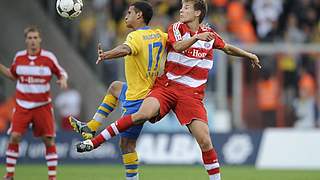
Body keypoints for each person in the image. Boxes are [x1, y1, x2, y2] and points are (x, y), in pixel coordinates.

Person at [77, 0, 261, 179]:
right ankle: (94, 142)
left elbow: (227, 48)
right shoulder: (175, 28)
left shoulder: (209, 34)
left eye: (186, 7)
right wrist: (196, 37)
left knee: (205, 141)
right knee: (141, 114)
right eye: (181, 6)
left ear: (197, 13)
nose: (181, 10)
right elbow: (179, 46)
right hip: (167, 87)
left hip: (191, 96)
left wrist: (249, 54)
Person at [69, 1, 167, 179]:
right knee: (115, 87)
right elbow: (172, 43)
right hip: (146, 93)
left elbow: (125, 49)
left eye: (129, 12)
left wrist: (106, 54)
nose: (125, 16)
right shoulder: (158, 34)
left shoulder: (135, 37)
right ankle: (91, 127)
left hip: (137, 100)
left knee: (126, 145)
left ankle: (131, 177)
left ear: (139, 16)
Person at [0, 26, 68, 180]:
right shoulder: (19, 57)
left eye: (35, 38)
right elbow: (12, 75)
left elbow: (61, 72)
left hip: (42, 105)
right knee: (14, 137)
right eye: (30, 38)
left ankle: (52, 177)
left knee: (48, 139)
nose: (33, 41)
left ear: (40, 39)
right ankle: (9, 175)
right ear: (26, 40)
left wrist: (63, 79)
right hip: (22, 105)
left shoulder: (48, 57)